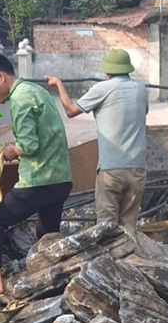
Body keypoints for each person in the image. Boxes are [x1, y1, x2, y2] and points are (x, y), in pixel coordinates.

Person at [0, 52, 73, 296]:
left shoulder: (19, 99)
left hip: (38, 180)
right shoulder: (37, 91)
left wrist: (11, 151)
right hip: (60, 178)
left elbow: (29, 145)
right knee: (48, 234)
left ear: (0, 76)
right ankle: (52, 284)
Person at [45, 49, 148, 228]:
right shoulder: (141, 89)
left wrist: (58, 84)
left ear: (107, 71)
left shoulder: (101, 89)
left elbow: (70, 110)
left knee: (106, 229)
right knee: (128, 228)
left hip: (111, 171)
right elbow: (143, 112)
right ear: (128, 70)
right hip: (137, 169)